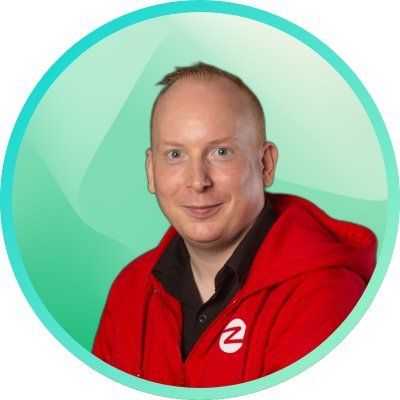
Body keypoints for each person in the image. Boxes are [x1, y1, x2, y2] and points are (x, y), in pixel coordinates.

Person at [92, 62, 377, 387]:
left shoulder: (324, 295)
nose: (198, 181)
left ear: (265, 164)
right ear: (151, 171)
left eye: (221, 152)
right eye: (175, 155)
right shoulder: (130, 289)